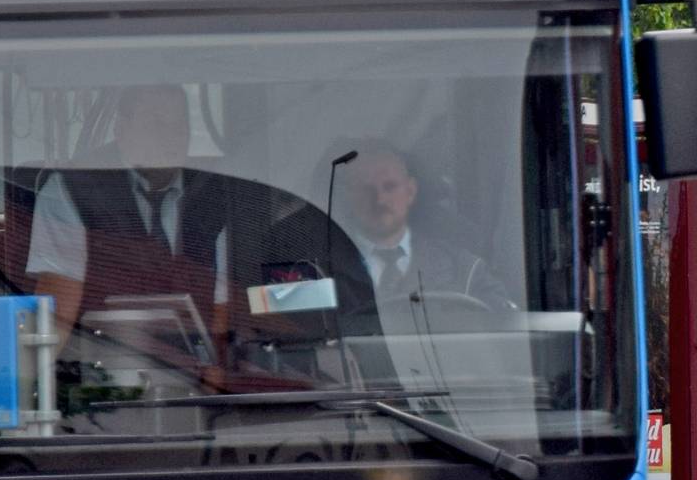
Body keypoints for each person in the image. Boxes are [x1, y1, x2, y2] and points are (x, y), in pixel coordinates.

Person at [26, 85, 273, 348]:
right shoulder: (71, 190)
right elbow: (59, 302)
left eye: (180, 126)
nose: (171, 137)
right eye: (157, 124)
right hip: (102, 358)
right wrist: (46, 371)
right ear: (122, 130)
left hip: (194, 362)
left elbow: (222, 302)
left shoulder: (216, 195)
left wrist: (217, 365)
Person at [333, 141, 516, 314]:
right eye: (365, 189)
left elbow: (505, 327)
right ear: (349, 197)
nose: (379, 200)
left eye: (390, 186)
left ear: (410, 191)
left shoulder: (467, 272)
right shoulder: (322, 272)